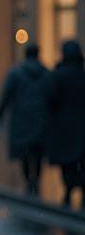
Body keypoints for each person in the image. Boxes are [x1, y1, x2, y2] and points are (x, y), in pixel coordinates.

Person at [0, 39, 54, 197]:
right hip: (41, 118)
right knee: (38, 151)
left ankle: (29, 179)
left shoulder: (16, 73)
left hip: (22, 118)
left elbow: (6, 94)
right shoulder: (46, 73)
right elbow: (52, 96)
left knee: (25, 151)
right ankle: (36, 179)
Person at [46, 39, 85, 209]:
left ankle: (69, 191)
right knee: (82, 160)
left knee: (67, 161)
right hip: (82, 125)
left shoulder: (58, 75)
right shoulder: (82, 74)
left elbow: (51, 99)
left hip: (64, 126)